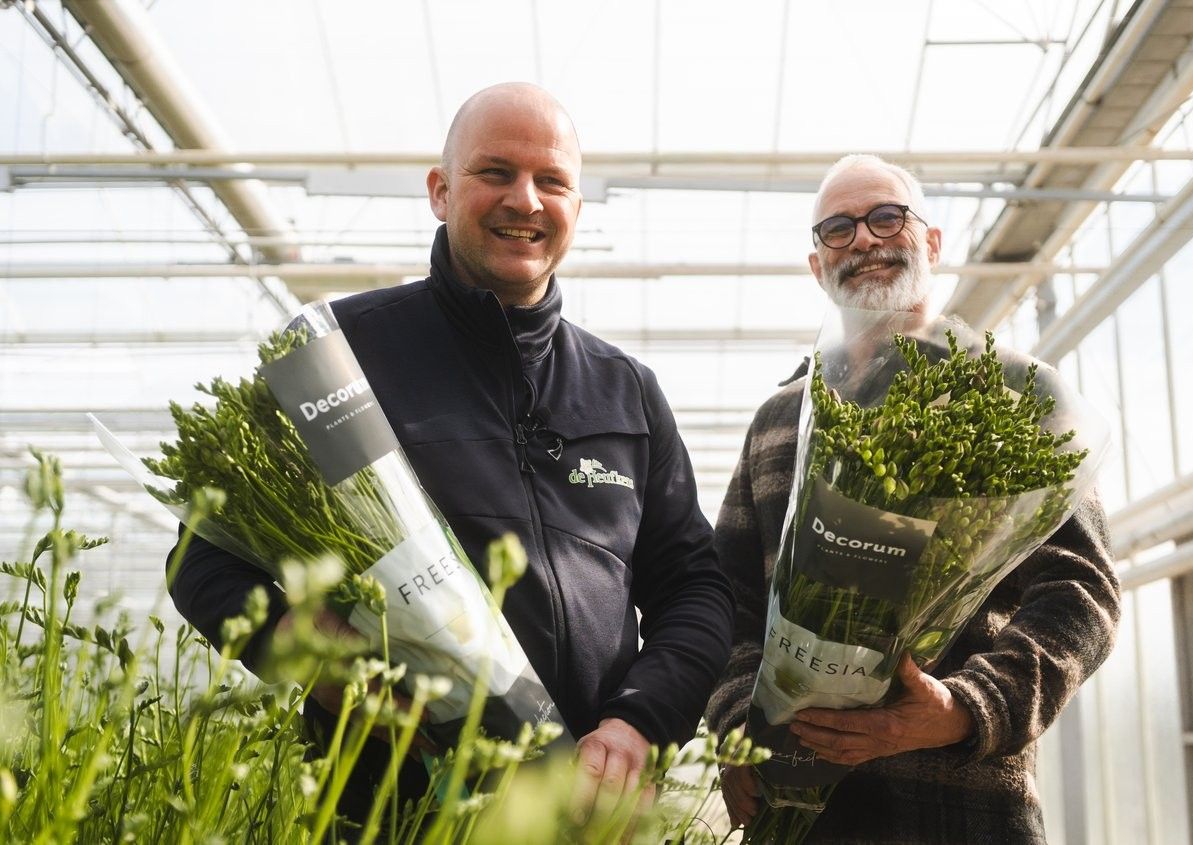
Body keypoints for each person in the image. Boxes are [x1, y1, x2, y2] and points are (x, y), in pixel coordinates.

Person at [168, 82, 734, 825]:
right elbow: (202, 557)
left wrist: (637, 723)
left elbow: (695, 587)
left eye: (552, 181)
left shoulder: (625, 391)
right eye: (495, 173)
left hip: (584, 818)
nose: (525, 200)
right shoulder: (337, 358)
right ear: (441, 191)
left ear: (577, 208)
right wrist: (308, 650)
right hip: (389, 809)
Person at [704, 154, 1120, 843]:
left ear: (930, 241)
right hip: (800, 815)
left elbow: (1084, 590)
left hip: (964, 811)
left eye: (886, 217)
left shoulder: (1019, 399)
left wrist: (966, 707)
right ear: (817, 267)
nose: (864, 239)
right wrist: (734, 730)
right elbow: (725, 596)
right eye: (837, 229)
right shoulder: (780, 420)